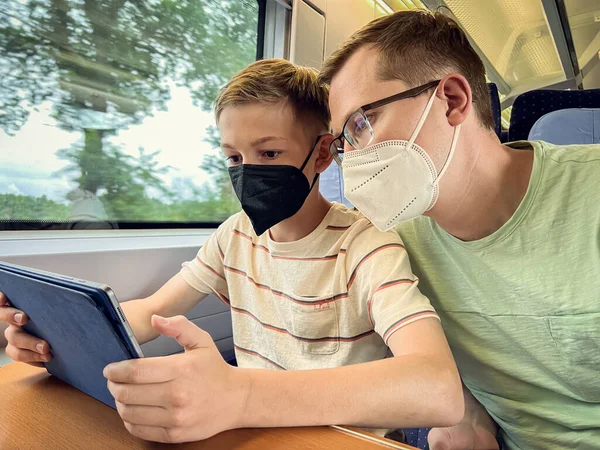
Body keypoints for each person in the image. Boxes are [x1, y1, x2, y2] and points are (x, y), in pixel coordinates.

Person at [0, 58, 463, 444]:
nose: (247, 173)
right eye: (234, 158)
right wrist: (56, 336)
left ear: (322, 155)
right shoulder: (234, 236)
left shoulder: (364, 244)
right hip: (253, 432)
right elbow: (153, 310)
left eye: (269, 154)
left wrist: (241, 393)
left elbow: (437, 388)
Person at [319, 9, 600, 450]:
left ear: (451, 100)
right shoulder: (394, 242)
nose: (351, 160)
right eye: (342, 143)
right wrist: (470, 419)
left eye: (361, 124)